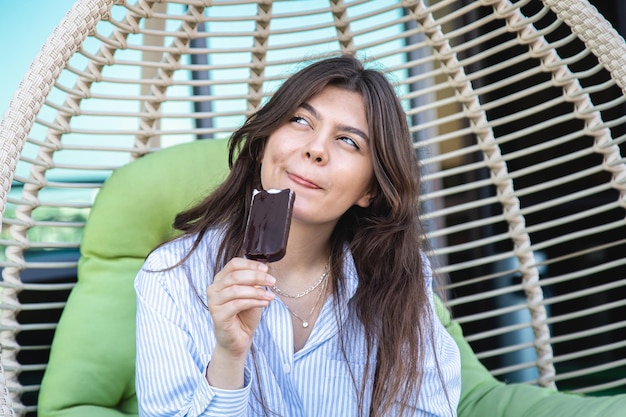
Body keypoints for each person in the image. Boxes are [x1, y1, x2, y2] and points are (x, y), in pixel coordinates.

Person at [134, 55, 461, 417]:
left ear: (369, 190)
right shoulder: (170, 277)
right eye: (300, 120)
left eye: (349, 141)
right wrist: (229, 357)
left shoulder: (399, 275)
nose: (316, 149)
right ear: (262, 146)